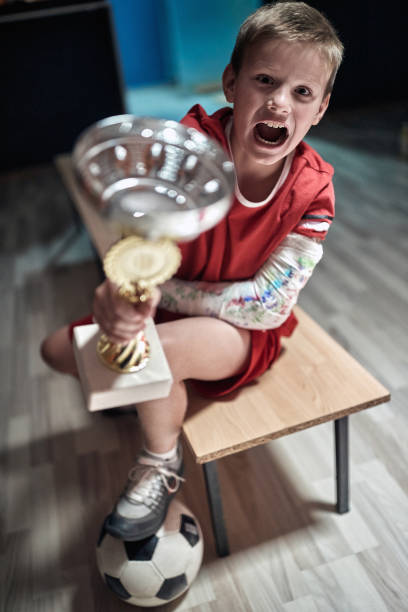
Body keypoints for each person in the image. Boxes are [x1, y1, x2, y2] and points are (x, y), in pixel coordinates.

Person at [41, 1, 343, 541]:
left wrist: (165, 298)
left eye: (302, 92)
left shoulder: (313, 190)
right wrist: (121, 291)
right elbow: (141, 246)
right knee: (56, 352)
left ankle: (160, 462)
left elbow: (267, 304)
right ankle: (142, 386)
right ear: (231, 83)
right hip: (167, 307)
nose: (279, 102)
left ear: (320, 109)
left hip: (238, 330)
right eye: (265, 80)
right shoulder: (186, 150)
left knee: (156, 354)